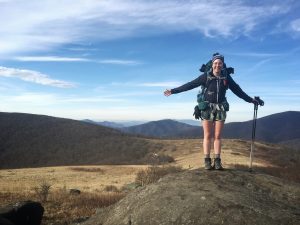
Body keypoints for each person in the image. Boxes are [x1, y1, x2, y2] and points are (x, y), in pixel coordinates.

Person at [164, 53, 262, 170]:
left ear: (222, 64)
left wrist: (250, 100)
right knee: (208, 135)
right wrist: (173, 91)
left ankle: (217, 161)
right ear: (212, 64)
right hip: (206, 108)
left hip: (220, 108)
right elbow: (190, 85)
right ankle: (207, 160)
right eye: (215, 63)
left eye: (219, 63)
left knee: (218, 136)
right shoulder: (206, 76)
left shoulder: (226, 77)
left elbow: (237, 90)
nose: (217, 65)